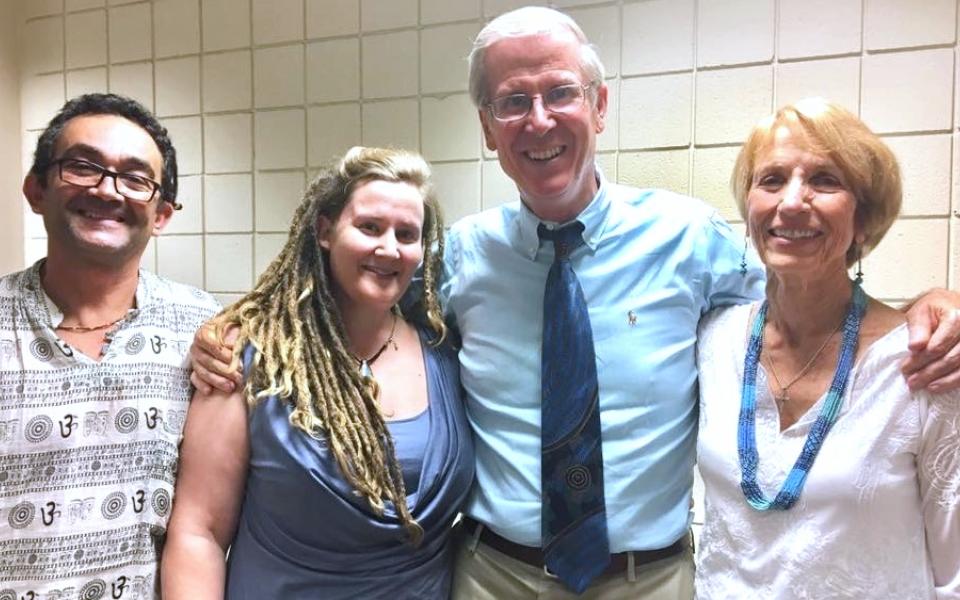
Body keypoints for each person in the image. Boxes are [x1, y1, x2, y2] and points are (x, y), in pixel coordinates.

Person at [190, 7, 960, 598]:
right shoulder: (455, 258)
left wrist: (931, 301)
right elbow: (350, 309)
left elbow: (810, 301)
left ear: (598, 105)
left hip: (651, 580)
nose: (539, 119)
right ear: (489, 130)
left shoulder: (688, 239)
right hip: (493, 575)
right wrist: (231, 331)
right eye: (511, 101)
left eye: (560, 93)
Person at [161, 147, 474, 599]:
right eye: (369, 227)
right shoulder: (247, 357)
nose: (389, 248)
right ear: (326, 231)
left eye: (407, 234)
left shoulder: (443, 354)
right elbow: (199, 533)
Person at [695, 98, 959, 599]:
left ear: (864, 219)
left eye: (824, 181)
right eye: (771, 180)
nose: (792, 202)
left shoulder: (926, 364)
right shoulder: (713, 341)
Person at [0, 93, 219, 600]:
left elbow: (207, 523)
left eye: (135, 178)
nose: (107, 189)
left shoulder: (205, 329)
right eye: (82, 166)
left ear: (162, 213)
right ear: (36, 190)